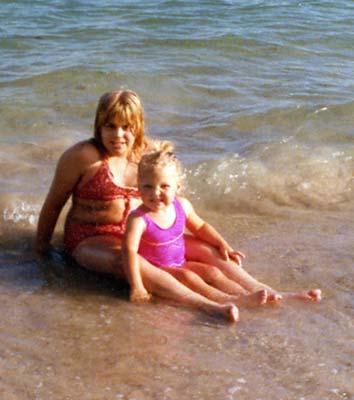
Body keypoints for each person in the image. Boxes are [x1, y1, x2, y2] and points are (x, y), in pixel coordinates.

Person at [35, 89, 320, 322]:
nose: (118, 135)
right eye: (110, 126)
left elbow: (173, 191)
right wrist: (40, 254)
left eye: (126, 127)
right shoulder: (83, 157)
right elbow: (52, 206)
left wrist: (220, 242)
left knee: (206, 250)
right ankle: (214, 304)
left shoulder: (147, 154)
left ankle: (269, 291)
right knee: (126, 260)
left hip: (140, 230)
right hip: (89, 238)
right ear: (98, 125)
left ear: (138, 127)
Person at [123, 151, 321, 312]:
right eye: (147, 186)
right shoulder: (139, 219)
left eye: (164, 186)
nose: (155, 193)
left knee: (213, 272)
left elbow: (200, 227)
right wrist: (137, 286)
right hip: (158, 269)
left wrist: (222, 244)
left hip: (180, 262)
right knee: (190, 278)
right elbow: (129, 252)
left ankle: (263, 294)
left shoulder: (181, 206)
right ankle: (230, 300)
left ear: (177, 186)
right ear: (138, 185)